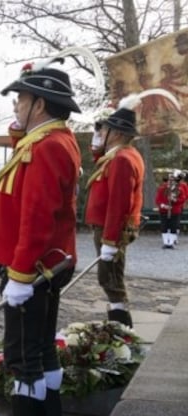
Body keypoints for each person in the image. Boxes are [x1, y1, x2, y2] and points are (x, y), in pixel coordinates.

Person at [0, 58, 82, 416]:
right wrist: (19, 126)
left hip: (34, 270)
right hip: (45, 265)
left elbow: (37, 218)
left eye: (20, 99)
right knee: (39, 351)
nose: (16, 106)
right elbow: (21, 143)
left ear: (39, 104)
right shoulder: (50, 140)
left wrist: (19, 277)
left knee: (23, 358)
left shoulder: (46, 147)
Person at [85, 89, 179, 328]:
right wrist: (98, 143)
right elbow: (100, 164)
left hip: (110, 228)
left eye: (104, 130)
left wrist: (110, 239)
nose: (101, 134)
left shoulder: (123, 159)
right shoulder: (120, 154)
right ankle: (119, 323)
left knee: (111, 279)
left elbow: (119, 203)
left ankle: (122, 327)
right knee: (109, 277)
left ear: (116, 133)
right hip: (106, 226)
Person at [155, 171, 187, 249]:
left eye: (173, 180)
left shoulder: (180, 189)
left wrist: (175, 200)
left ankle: (171, 242)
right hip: (164, 210)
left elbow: (183, 199)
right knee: (164, 226)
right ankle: (166, 242)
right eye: (170, 180)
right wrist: (163, 205)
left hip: (175, 210)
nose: (171, 182)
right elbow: (158, 200)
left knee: (174, 226)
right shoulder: (162, 188)